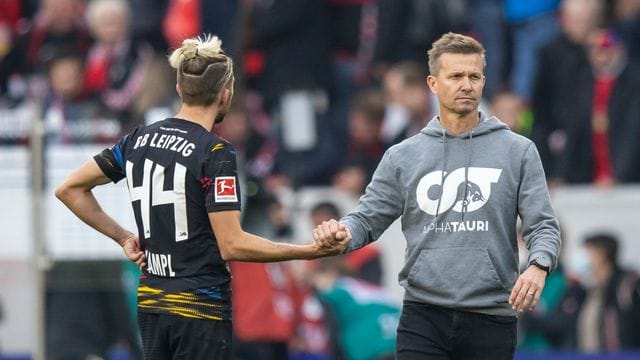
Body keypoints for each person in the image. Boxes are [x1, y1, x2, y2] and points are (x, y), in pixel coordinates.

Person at [55, 34, 349, 360]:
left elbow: (69, 189)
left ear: (180, 89)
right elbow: (232, 244)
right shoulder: (215, 153)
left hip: (152, 304)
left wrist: (123, 237)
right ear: (226, 94)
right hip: (199, 308)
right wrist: (309, 251)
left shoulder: (138, 139)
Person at [314, 32, 561, 359]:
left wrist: (537, 266)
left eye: (474, 76)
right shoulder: (403, 156)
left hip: (491, 317)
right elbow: (366, 219)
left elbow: (544, 226)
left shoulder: (518, 151)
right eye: (456, 76)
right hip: (423, 316)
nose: (467, 85)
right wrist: (342, 232)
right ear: (432, 83)